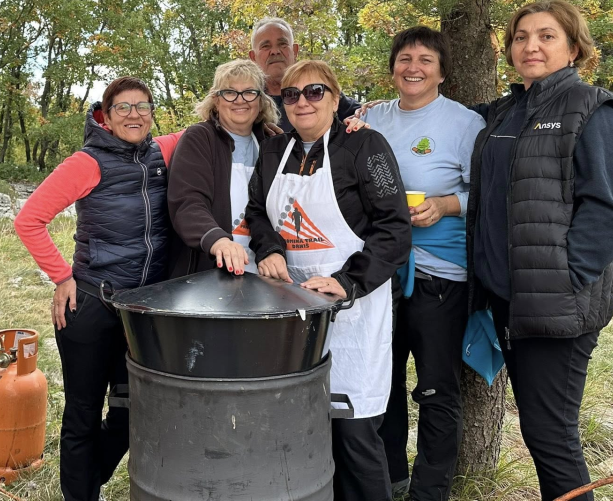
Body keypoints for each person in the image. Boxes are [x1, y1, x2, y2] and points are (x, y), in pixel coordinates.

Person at [469, 0, 613, 501]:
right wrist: (362, 112)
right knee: (541, 435)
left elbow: (606, 216)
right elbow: (430, 114)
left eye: (546, 36)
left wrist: (561, 281)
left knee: (552, 437)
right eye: (521, 37)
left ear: (574, 46)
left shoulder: (593, 109)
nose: (531, 46)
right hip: (507, 303)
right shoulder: (504, 111)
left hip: (555, 307)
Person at [245, 59, 412, 501]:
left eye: (315, 92)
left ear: (336, 100)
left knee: (354, 432)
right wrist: (269, 249)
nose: (302, 101)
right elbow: (258, 212)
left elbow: (394, 229)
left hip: (353, 309)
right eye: (292, 94)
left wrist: (347, 281)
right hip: (293, 307)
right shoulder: (273, 150)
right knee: (305, 427)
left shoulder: (366, 148)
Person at [14, 77, 180, 501]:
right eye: (123, 107)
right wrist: (62, 277)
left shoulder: (162, 152)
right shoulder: (87, 163)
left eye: (143, 106)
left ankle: (88, 485)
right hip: (91, 306)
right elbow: (29, 220)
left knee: (128, 414)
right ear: (105, 116)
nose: (134, 115)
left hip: (139, 314)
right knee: (83, 416)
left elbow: (220, 119)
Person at [364, 27, 485, 501]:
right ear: (392, 67)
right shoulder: (371, 118)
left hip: (441, 276)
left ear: (442, 70)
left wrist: (445, 205)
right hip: (380, 273)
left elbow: (486, 194)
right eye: (404, 58)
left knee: (436, 389)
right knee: (382, 383)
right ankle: (389, 477)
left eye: (425, 60)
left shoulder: (464, 124)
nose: (413, 67)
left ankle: (431, 490)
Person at [167, 59, 280, 277]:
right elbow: (187, 203)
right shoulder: (199, 139)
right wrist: (217, 240)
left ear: (261, 101)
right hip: (211, 273)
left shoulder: (273, 143)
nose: (240, 100)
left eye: (249, 92)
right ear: (216, 101)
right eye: (230, 92)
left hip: (265, 273)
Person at [249, 16, 361, 130]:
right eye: (266, 46)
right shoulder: (245, 100)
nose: (275, 51)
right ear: (253, 57)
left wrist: (376, 106)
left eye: (282, 44)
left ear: (295, 51)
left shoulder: (318, 91)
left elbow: (364, 115)